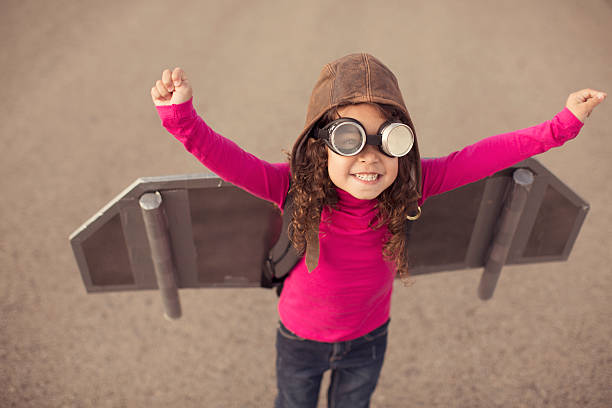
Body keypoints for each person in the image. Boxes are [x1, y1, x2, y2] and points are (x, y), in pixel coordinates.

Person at [151, 53, 606, 408]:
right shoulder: (288, 185)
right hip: (299, 339)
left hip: (369, 338)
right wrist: (180, 118)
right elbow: (223, 157)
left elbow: (488, 154)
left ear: (402, 146)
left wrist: (562, 125)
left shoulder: (412, 184)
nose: (370, 157)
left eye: (388, 140)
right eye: (350, 139)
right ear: (320, 146)